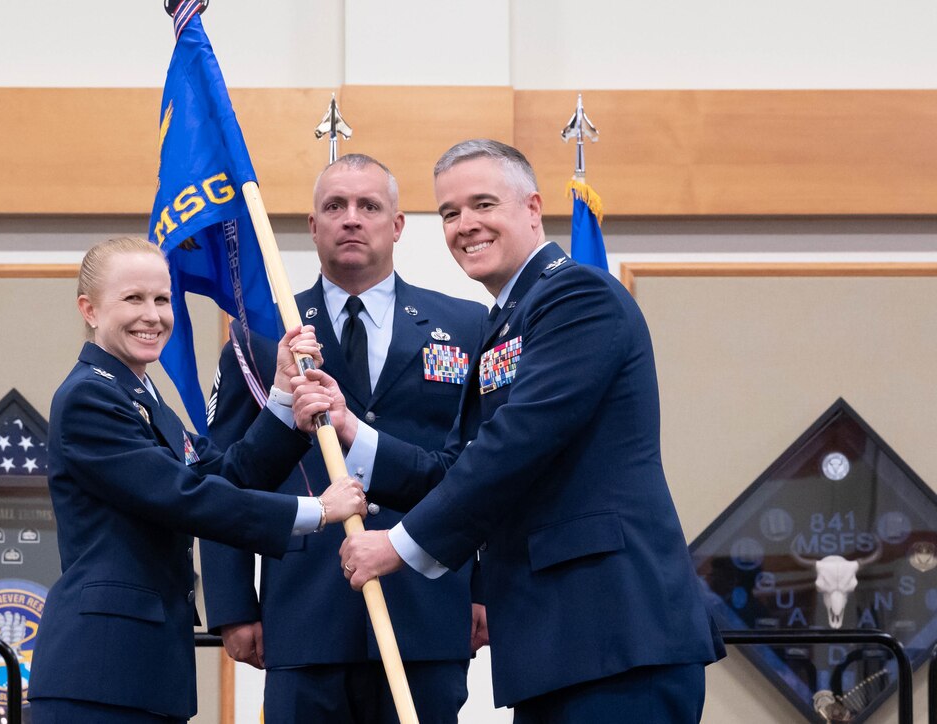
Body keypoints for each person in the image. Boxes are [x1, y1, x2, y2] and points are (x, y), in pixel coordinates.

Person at [297, 140, 726, 722]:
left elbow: (516, 444)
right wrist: (352, 431)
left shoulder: (578, 296)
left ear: (532, 208)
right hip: (554, 645)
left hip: (615, 632)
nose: (465, 225)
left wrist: (397, 546)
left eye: (482, 204)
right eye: (449, 213)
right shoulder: (506, 322)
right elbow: (457, 464)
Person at [28, 236, 366, 724]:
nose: (153, 315)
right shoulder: (89, 399)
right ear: (90, 309)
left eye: (162, 299)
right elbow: (185, 498)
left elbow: (225, 473)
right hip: (98, 677)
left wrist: (285, 396)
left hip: (145, 676)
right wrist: (317, 511)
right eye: (133, 299)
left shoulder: (141, 396)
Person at [200, 154, 489, 724]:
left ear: (398, 225)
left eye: (368, 206)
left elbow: (486, 469)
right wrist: (234, 607)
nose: (351, 219)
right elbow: (225, 478)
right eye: (334, 206)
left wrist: (485, 587)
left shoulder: (466, 325)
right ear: (313, 226)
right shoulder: (260, 335)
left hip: (426, 605)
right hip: (304, 608)